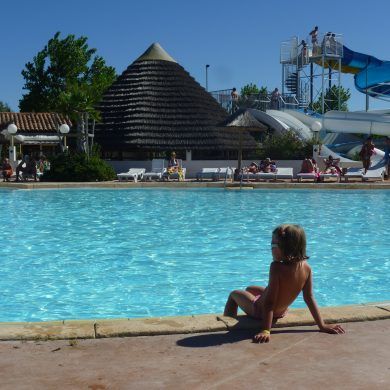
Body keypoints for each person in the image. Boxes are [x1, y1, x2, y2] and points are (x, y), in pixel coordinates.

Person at [224, 224, 345, 343]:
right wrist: (322, 325)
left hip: (259, 310)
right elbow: (309, 297)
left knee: (234, 294)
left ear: (284, 247)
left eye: (273, 244)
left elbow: (269, 302)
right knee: (250, 288)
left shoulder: (276, 267)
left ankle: (228, 321)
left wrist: (266, 330)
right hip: (282, 310)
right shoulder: (307, 268)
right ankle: (254, 300)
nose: (270, 248)